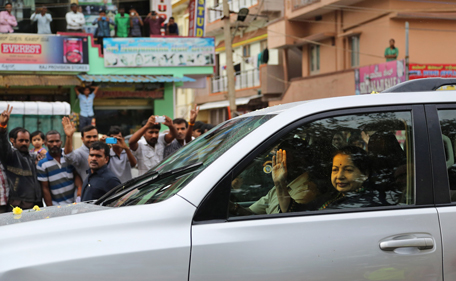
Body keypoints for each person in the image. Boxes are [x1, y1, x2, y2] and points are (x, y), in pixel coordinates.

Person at [246, 139, 319, 215]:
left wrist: (279, 183)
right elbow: (250, 212)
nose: (280, 163)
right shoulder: (283, 184)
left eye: (285, 157)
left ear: (301, 160)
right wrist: (234, 208)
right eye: (278, 157)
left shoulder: (306, 191)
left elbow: (287, 218)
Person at [0, 105, 42, 210]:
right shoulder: (11, 155)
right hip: (17, 205)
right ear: (13, 141)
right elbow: (4, 144)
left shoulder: (32, 157)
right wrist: (2, 126)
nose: (24, 143)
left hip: (35, 204)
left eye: (27, 141)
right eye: (21, 140)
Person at [37, 131, 82, 206]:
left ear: (61, 142)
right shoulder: (42, 163)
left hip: (75, 203)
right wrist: (50, 208)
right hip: (57, 206)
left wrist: (80, 190)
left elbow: (76, 174)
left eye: (57, 141)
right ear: (45, 144)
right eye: (51, 141)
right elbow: (45, 188)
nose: (54, 144)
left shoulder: (68, 156)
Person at [62, 117, 99, 182]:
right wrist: (69, 137)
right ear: (82, 139)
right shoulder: (79, 152)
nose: (92, 139)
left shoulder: (102, 150)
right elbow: (69, 157)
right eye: (88, 137)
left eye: (94, 136)